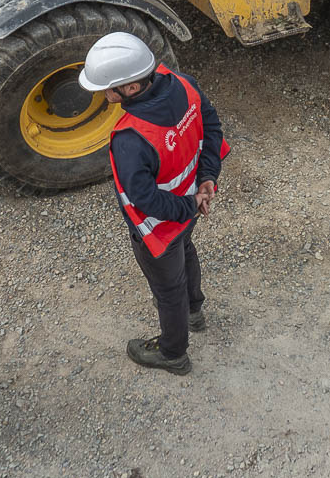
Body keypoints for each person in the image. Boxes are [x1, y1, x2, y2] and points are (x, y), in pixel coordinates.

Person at [79, 32, 228, 375]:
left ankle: (173, 352)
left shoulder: (131, 139)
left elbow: (143, 199)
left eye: (108, 88)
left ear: (131, 88)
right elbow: (212, 127)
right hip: (191, 203)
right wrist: (207, 180)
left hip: (161, 225)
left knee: (167, 287)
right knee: (186, 250)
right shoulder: (185, 84)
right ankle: (194, 311)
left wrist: (190, 204)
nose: (104, 94)